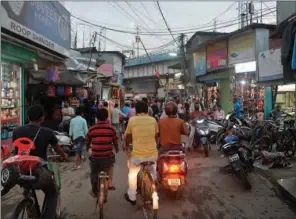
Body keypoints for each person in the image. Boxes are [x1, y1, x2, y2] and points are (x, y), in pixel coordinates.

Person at [12, 104, 67, 219]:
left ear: (28, 117)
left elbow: (15, 150)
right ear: (42, 118)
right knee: (52, 194)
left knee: (28, 192)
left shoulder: (17, 131)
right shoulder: (47, 131)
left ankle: (30, 208)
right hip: (39, 172)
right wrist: (64, 156)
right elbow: (57, 148)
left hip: (21, 172)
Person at [124, 100, 159, 205]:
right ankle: (153, 187)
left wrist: (126, 145)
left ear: (136, 111)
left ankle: (132, 197)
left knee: (132, 174)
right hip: (153, 154)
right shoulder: (153, 120)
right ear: (147, 110)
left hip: (138, 156)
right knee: (153, 171)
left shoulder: (132, 120)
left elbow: (128, 136)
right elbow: (156, 136)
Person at [86, 108, 119, 197]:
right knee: (110, 166)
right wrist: (117, 149)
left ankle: (94, 191)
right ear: (106, 118)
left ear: (97, 117)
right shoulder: (111, 129)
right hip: (108, 157)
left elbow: (87, 142)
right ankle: (109, 182)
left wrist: (87, 148)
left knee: (93, 174)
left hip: (95, 157)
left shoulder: (91, 129)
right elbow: (115, 142)